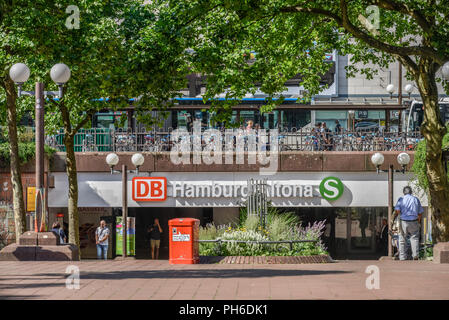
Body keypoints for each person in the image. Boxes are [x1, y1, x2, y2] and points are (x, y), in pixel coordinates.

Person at [393, 186, 423, 260]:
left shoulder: (401, 199)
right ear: (411, 192)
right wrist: (418, 221)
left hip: (403, 221)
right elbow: (420, 213)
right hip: (414, 221)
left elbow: (397, 210)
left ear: (404, 192)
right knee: (415, 238)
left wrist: (402, 215)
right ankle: (415, 255)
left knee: (402, 239)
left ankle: (402, 257)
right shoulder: (416, 199)